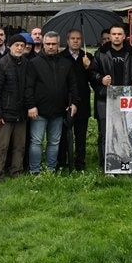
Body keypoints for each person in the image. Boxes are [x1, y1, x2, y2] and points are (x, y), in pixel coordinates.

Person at [25, 32, 80, 174]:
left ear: (58, 45)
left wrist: (74, 103)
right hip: (39, 111)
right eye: (48, 44)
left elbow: (73, 85)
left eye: (53, 44)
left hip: (59, 110)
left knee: (54, 142)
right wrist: (31, 105)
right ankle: (35, 170)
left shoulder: (66, 64)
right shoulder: (34, 63)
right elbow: (28, 87)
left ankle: (50, 169)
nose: (50, 46)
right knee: (36, 141)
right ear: (43, 44)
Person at [90, 25, 132, 167]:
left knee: (125, 130)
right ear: (110, 36)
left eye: (120, 34)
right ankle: (105, 164)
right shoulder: (100, 53)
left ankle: (126, 161)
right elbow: (92, 73)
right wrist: (101, 79)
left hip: (126, 98)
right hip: (106, 98)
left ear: (124, 36)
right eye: (114, 34)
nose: (117, 36)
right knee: (105, 132)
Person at [0, 34, 30, 179]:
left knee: (19, 146)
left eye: (22, 46)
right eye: (17, 45)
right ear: (10, 46)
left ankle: (16, 171)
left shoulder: (26, 63)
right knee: (2, 146)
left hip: (21, 113)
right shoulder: (2, 64)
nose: (19, 48)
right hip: (5, 113)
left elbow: (28, 87)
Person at [58, 29, 95, 171]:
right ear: (67, 41)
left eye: (78, 38)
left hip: (83, 101)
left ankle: (80, 162)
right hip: (65, 101)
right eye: (72, 38)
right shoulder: (61, 57)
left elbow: (93, 79)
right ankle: (63, 161)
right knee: (64, 134)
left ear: (82, 41)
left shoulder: (87, 56)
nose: (75, 41)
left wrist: (88, 67)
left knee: (81, 135)